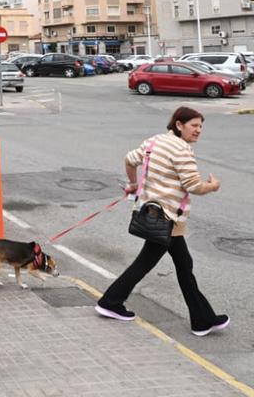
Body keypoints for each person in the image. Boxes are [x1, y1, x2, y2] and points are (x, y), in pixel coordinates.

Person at [96, 106, 230, 337]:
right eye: (194, 126)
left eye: (200, 126)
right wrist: (213, 186)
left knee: (183, 265)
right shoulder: (182, 150)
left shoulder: (154, 141)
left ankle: (202, 319)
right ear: (179, 124)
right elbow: (193, 186)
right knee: (152, 264)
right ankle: (110, 302)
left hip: (152, 212)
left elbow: (129, 160)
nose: (198, 131)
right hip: (169, 217)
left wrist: (134, 184)